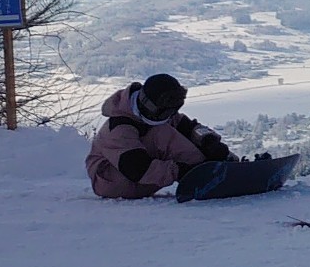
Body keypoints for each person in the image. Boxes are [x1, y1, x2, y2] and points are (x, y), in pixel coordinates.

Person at [85, 73, 232, 199]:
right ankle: (205, 173)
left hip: (137, 176)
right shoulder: (119, 128)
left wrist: (209, 141)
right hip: (114, 181)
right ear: (149, 105)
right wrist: (181, 171)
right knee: (164, 133)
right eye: (165, 111)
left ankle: (217, 166)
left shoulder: (159, 115)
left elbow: (189, 128)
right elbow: (136, 168)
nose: (169, 115)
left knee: (172, 130)